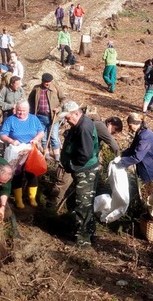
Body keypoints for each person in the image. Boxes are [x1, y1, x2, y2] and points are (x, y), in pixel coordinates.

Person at [58, 101, 100, 248]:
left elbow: (85, 154)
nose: (67, 120)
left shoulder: (84, 128)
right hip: (83, 171)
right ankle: (88, 233)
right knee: (86, 204)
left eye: (68, 117)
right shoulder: (79, 125)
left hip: (85, 171)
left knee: (83, 205)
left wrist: (71, 165)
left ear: (76, 113)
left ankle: (83, 241)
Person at [0, 101, 45, 209]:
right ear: (15, 110)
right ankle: (18, 199)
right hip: (16, 151)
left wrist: (36, 139)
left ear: (28, 111)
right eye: (19, 111)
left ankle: (32, 197)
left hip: (31, 149)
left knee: (32, 173)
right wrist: (11, 141)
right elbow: (2, 134)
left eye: (24, 111)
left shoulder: (33, 119)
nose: (21, 113)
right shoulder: (11, 120)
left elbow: (41, 132)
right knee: (17, 174)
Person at [28, 73, 65, 160]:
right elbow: (30, 100)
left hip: (53, 117)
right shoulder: (36, 89)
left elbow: (63, 99)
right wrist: (32, 112)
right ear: (42, 81)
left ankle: (57, 156)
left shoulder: (55, 88)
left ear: (51, 81)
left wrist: (59, 108)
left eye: (49, 82)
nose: (47, 84)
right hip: (40, 117)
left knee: (54, 137)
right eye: (45, 82)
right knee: (43, 137)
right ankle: (46, 154)